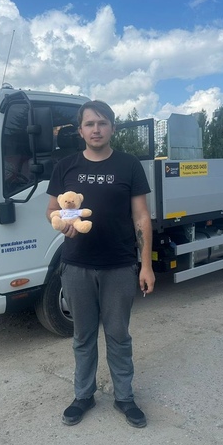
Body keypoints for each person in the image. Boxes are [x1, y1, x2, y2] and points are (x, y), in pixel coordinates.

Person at [45, 100, 155, 428]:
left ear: (112, 128)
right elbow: (51, 210)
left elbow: (141, 217)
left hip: (119, 265)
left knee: (119, 335)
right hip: (76, 265)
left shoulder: (129, 165)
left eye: (102, 123)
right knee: (83, 336)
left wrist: (146, 265)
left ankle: (124, 397)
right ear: (80, 130)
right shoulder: (65, 166)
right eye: (90, 124)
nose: (96, 129)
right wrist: (60, 223)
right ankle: (83, 395)